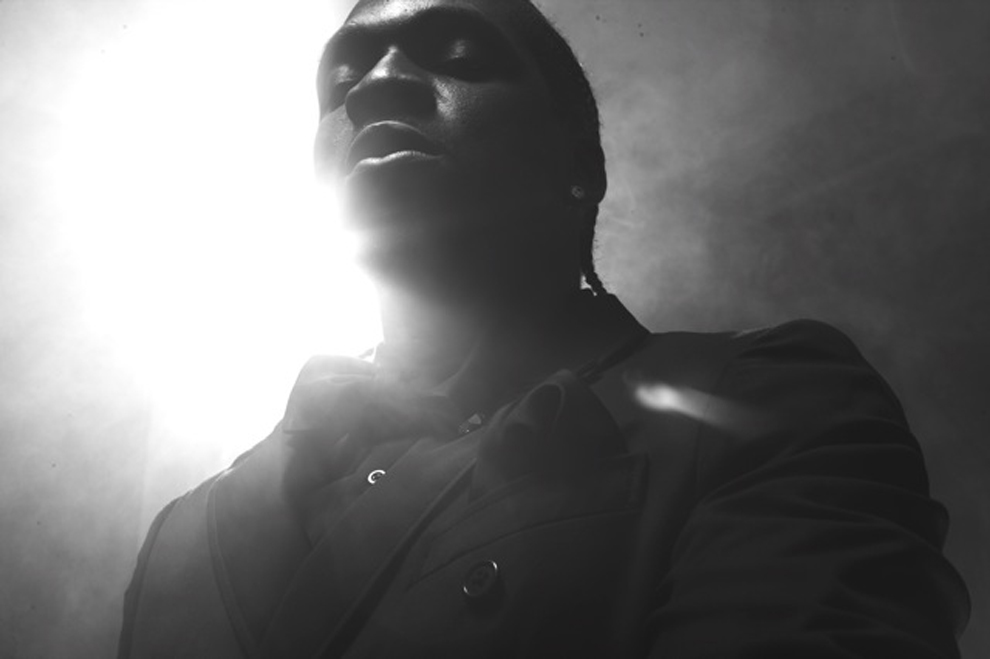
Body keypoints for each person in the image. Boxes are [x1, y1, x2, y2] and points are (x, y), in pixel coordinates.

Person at [117, 0, 970, 657]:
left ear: (580, 166)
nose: (374, 84)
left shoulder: (762, 401)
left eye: (458, 56)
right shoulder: (189, 530)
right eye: (339, 84)